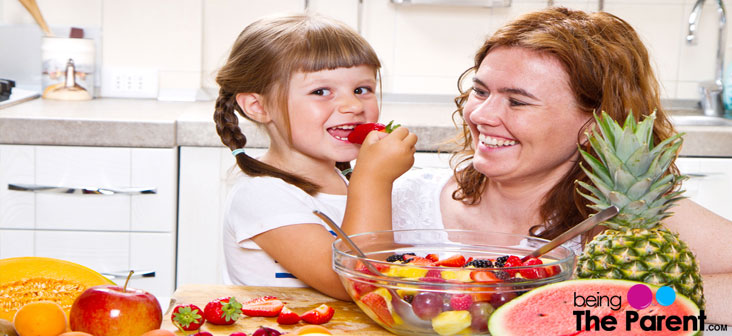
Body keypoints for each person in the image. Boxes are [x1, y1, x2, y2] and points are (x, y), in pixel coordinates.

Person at [389, 7, 732, 323]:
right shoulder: (406, 198)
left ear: (593, 127)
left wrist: (621, 296)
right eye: (480, 91)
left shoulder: (623, 218)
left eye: (517, 101)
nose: (479, 115)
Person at [213, 13, 417, 300]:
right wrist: (374, 179)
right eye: (321, 91)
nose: (352, 105)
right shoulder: (262, 195)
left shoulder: (344, 182)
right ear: (258, 106)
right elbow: (354, 284)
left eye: (362, 89)